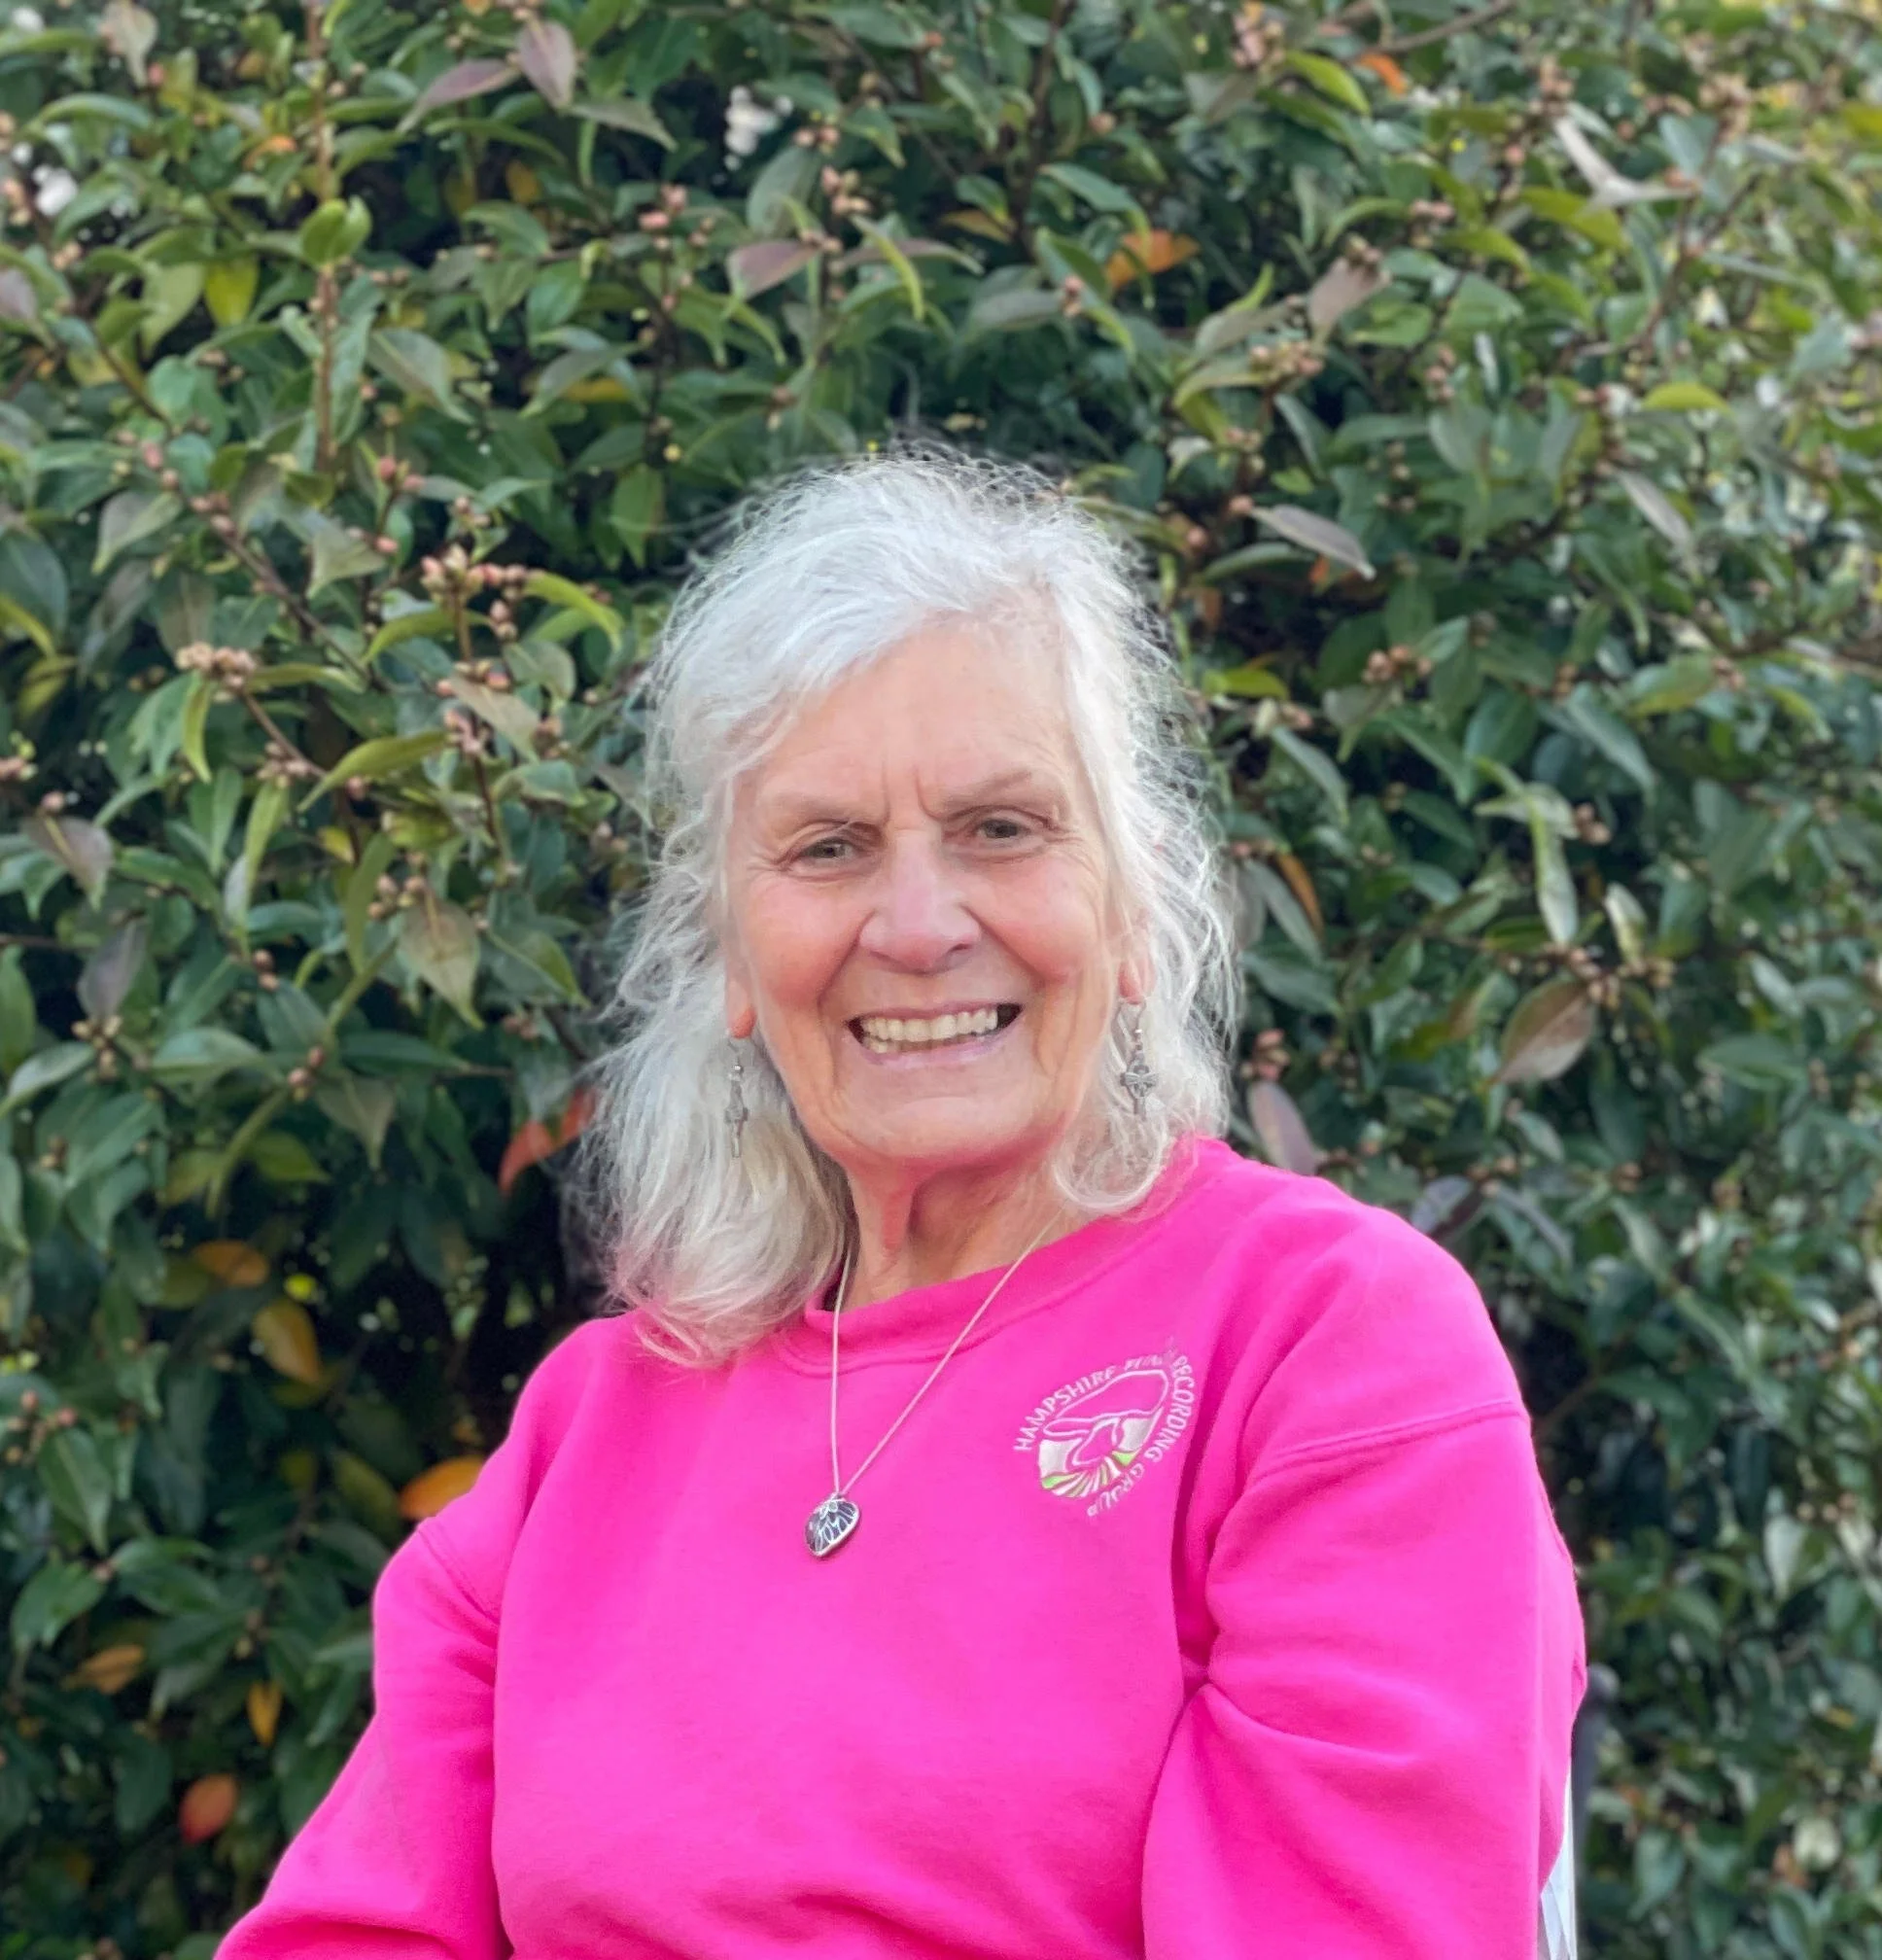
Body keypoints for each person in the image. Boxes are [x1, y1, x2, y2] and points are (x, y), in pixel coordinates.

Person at [221, 452, 1586, 1959]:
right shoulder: (591, 1426)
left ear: (1129, 912)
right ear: (734, 956)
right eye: (828, 848)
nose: (923, 926)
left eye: (1003, 827)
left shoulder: (1326, 1345)